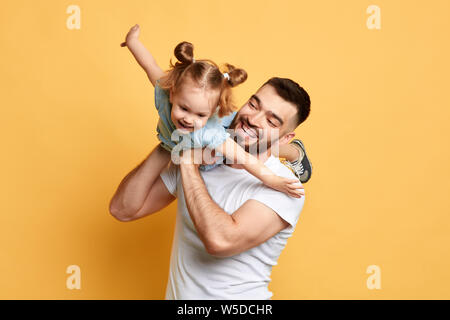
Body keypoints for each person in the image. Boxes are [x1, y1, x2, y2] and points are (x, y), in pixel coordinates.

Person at [110, 25, 311, 299]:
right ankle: (290, 150)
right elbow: (124, 210)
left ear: (284, 135)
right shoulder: (204, 149)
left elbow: (219, 241)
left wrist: (188, 160)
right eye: (254, 104)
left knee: (231, 138)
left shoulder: (286, 190)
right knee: (226, 130)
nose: (253, 118)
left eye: (271, 120)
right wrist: (169, 142)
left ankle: (293, 153)